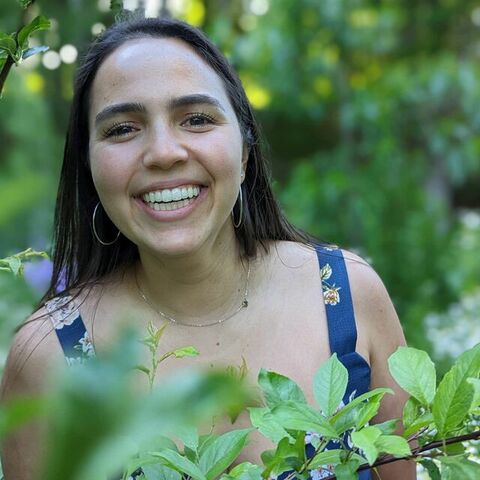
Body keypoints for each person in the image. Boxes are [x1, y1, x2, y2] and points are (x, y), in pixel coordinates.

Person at [0, 17, 416, 480]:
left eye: (196, 119)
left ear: (245, 151)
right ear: (89, 166)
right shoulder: (50, 357)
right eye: (122, 129)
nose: (164, 153)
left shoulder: (347, 297)